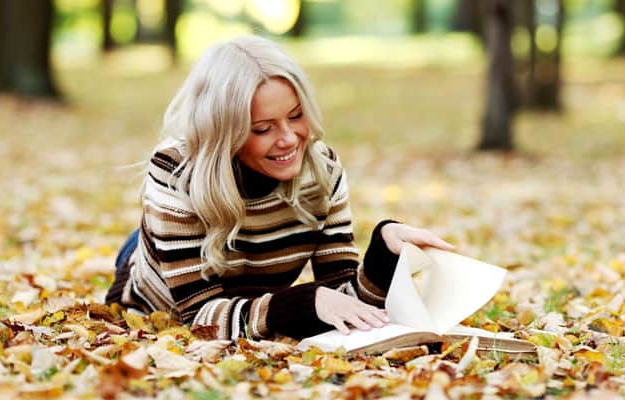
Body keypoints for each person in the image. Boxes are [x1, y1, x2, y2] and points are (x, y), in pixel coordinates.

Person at [105, 35, 453, 341]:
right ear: (225, 133)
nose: (288, 139)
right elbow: (198, 319)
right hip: (163, 271)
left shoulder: (322, 170)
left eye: (297, 115)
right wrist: (299, 302)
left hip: (250, 283)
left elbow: (344, 301)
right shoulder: (174, 172)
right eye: (262, 128)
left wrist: (383, 253)